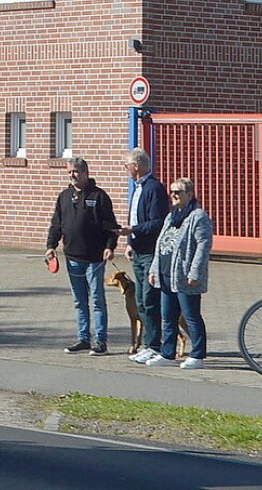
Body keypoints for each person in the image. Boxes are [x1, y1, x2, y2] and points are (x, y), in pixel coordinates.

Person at [44, 156, 121, 356]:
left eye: (76, 171)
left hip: (94, 258)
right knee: (79, 301)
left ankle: (100, 341)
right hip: (72, 258)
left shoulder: (99, 196)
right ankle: (83, 338)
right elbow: (56, 224)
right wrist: (51, 246)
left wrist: (110, 246)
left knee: (97, 300)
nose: (72, 175)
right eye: (69, 172)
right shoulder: (63, 197)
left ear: (85, 173)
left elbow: (111, 226)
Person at [142, 176, 212, 369]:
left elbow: (203, 245)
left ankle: (197, 355)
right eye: (171, 192)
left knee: (191, 315)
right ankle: (167, 353)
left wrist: (195, 272)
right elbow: (161, 244)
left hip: (185, 277)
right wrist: (154, 269)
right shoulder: (171, 216)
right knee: (168, 316)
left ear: (189, 194)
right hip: (166, 274)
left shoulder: (198, 216)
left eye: (177, 192)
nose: (173, 195)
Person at [123, 148, 170, 364]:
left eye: (127, 165)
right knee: (141, 300)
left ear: (137, 166)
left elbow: (157, 223)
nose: (126, 169)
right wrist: (130, 243)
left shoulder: (154, 188)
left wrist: (133, 230)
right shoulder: (137, 188)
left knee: (150, 300)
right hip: (138, 251)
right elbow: (136, 216)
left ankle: (154, 345)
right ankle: (147, 344)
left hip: (151, 252)